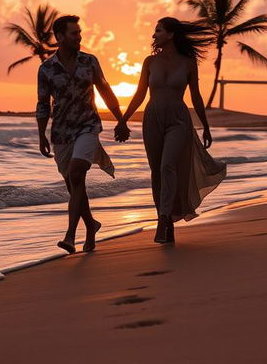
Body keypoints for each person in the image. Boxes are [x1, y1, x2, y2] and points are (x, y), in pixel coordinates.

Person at [115, 17, 226, 245]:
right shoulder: (149, 62)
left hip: (178, 119)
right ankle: (163, 219)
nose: (154, 35)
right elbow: (139, 94)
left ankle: (165, 219)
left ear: (171, 34)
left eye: (158, 30)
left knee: (167, 166)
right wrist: (123, 120)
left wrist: (204, 125)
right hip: (153, 117)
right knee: (156, 171)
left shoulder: (187, 62)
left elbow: (195, 95)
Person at [36, 15, 130, 254]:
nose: (79, 37)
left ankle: (70, 235)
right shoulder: (46, 69)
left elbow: (105, 89)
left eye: (79, 32)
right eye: (74, 33)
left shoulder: (89, 61)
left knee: (77, 173)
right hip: (61, 132)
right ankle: (91, 225)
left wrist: (120, 119)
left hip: (88, 127)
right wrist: (41, 135)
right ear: (59, 37)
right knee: (73, 184)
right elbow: (43, 104)